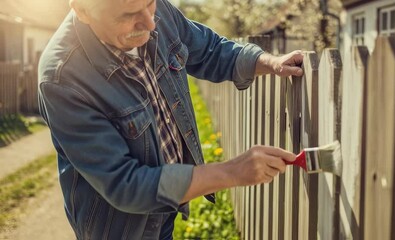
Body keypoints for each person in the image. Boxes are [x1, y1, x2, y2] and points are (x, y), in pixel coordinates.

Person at [38, 0, 303, 239]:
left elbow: (210, 50)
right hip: (121, 230)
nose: (151, 23)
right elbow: (124, 184)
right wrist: (232, 171)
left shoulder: (155, 11)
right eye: (128, 15)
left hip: (165, 212)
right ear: (82, 11)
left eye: (150, 4)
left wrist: (269, 62)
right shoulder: (63, 78)